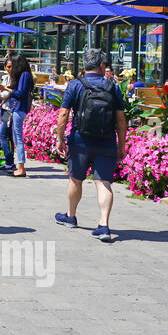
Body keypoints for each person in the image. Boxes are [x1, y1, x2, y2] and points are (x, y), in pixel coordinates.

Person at [54, 47, 126, 243]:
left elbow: (63, 114)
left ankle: (70, 216)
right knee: (104, 182)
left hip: (80, 140)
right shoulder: (113, 87)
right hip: (107, 141)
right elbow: (121, 118)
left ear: (85, 65)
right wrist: (122, 145)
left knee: (76, 179)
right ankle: (103, 225)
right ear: (102, 65)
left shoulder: (75, 85)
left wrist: (60, 139)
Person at [0, 53, 34, 178]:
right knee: (14, 137)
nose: (11, 68)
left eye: (13, 65)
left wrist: (7, 89)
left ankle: (21, 168)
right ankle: (18, 166)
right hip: (17, 108)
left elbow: (20, 93)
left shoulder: (24, 75)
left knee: (18, 139)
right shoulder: (25, 75)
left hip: (18, 108)